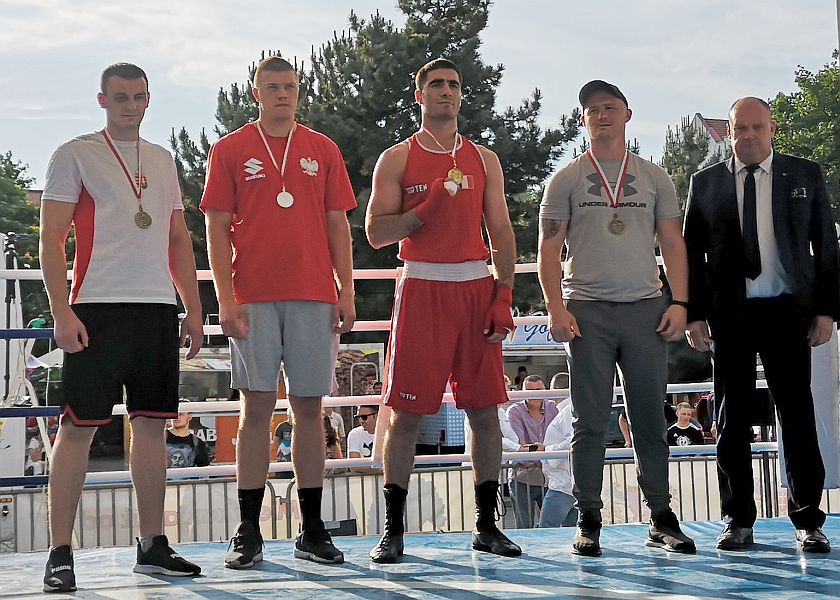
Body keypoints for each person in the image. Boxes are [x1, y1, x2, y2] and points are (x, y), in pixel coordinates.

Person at [39, 62, 204, 592]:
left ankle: (152, 545)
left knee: (153, 426)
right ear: (102, 99)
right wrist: (62, 311)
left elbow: (179, 239)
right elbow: (50, 240)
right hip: (97, 308)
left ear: (149, 100)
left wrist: (194, 308)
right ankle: (59, 552)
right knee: (78, 428)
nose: (130, 105)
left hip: (155, 309)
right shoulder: (75, 154)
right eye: (120, 97)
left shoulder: (161, 159)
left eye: (138, 97)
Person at [201, 55, 357, 567]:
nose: (282, 94)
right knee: (256, 411)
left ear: (298, 91)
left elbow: (338, 225)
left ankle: (312, 528)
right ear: (256, 92)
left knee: (311, 411)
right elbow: (216, 228)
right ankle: (248, 528)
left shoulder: (323, 149)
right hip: (253, 296)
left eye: (289, 86)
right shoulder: (230, 150)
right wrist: (224, 298)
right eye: (272, 87)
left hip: (314, 293)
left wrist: (347, 289)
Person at [365, 57, 520, 563]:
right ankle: (393, 529)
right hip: (422, 289)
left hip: (475, 288)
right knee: (407, 413)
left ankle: (487, 525)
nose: (446, 91)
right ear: (420, 96)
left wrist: (503, 294)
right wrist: (422, 211)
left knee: (484, 412)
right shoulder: (397, 159)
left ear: (461, 94)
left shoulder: (484, 159)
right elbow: (376, 233)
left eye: (453, 84)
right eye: (436, 84)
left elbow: (500, 230)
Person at [538, 80, 695, 556]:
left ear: (628, 114)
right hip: (586, 311)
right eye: (591, 110)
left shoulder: (654, 177)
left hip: (646, 309)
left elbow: (672, 242)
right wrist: (555, 309)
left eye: (610, 108)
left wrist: (680, 303)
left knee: (650, 416)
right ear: (581, 119)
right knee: (589, 420)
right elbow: (547, 248)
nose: (601, 115)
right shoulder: (564, 178)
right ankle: (588, 519)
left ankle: (662, 517)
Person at [683, 96, 839, 553]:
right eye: (739, 129)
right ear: (729, 133)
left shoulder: (804, 175)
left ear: (771, 129)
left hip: (788, 310)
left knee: (797, 413)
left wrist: (827, 310)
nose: (748, 136)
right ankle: (737, 519)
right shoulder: (705, 183)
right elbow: (692, 253)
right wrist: (693, 313)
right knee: (731, 420)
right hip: (729, 313)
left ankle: (808, 518)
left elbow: (826, 245)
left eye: (756, 128)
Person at [507, 375, 558, 528]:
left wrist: (541, 450)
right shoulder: (514, 411)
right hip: (522, 478)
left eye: (538, 390)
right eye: (530, 390)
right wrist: (549, 452)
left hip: (552, 478)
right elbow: (519, 445)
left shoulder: (554, 408)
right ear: (522, 391)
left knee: (554, 527)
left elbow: (559, 440)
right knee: (524, 527)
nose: (535, 394)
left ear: (545, 389)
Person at [539, 382, 577, 528]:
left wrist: (547, 449)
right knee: (569, 532)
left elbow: (572, 440)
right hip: (566, 483)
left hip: (561, 485)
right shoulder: (567, 410)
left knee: (544, 531)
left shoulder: (567, 411)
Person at [347, 405, 379, 474]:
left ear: (376, 416)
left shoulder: (390, 432)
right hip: (363, 483)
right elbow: (354, 466)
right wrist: (384, 469)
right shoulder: (354, 434)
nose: (361, 421)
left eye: (364, 417)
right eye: (359, 417)